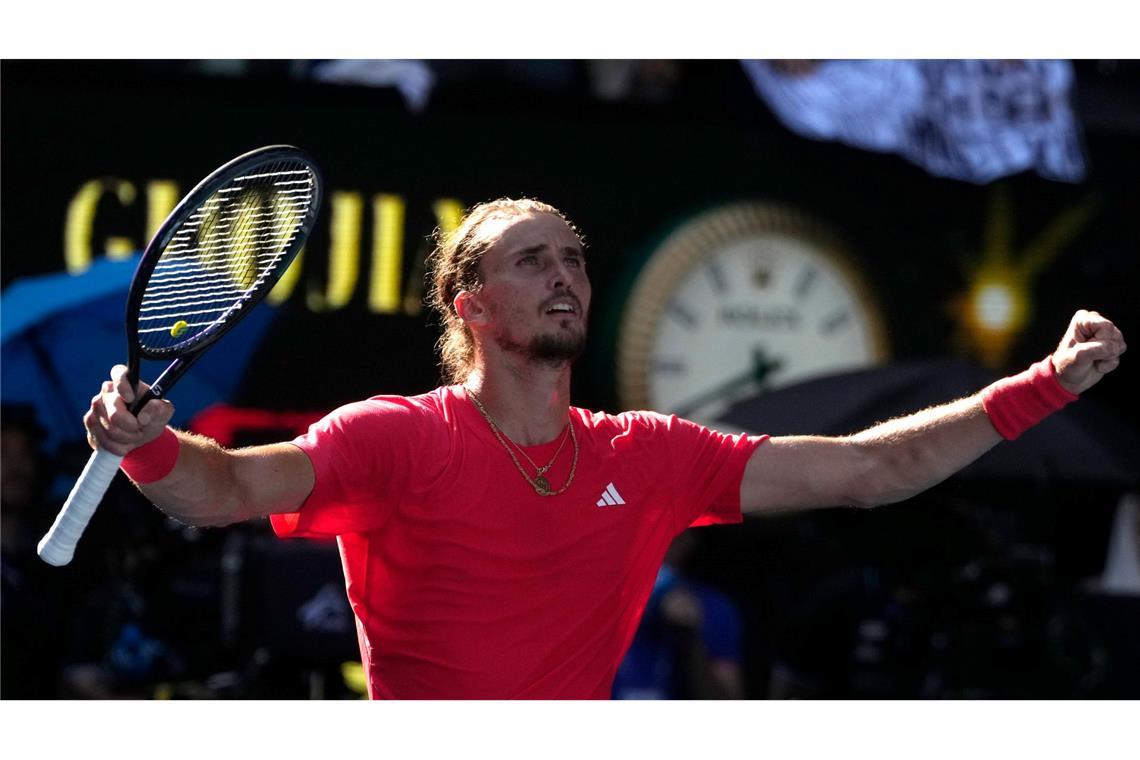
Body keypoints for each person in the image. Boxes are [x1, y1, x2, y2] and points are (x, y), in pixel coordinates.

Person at [81, 198, 1127, 699]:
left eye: (572, 256)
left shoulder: (653, 456)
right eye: (531, 260)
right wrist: (148, 450)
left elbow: (869, 469)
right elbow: (220, 489)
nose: (564, 273)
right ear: (470, 303)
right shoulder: (395, 438)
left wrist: (1039, 388)